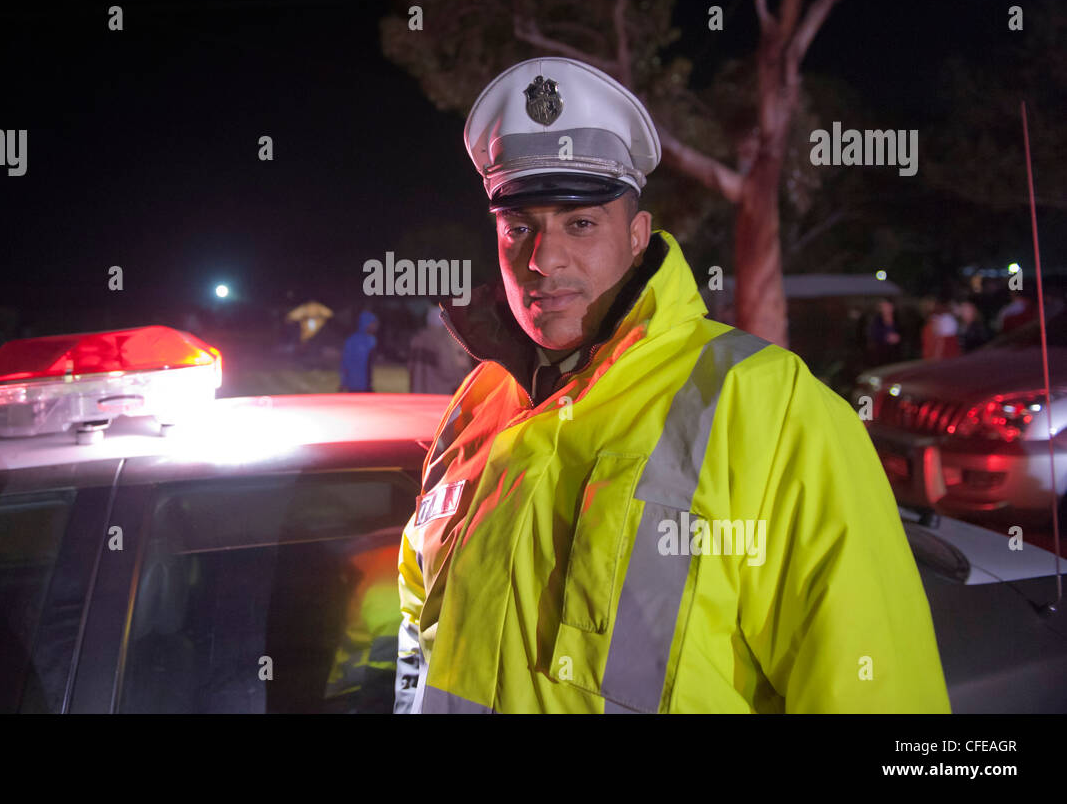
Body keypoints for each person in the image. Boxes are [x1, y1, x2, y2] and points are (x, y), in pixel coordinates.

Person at [395, 56, 949, 713]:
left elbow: (876, 691)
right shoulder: (476, 403)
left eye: (581, 223)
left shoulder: (770, 405)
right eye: (519, 228)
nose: (542, 260)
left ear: (637, 236)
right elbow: (417, 633)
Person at [408, 305, 472, 395]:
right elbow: (451, 370)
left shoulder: (417, 339)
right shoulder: (445, 339)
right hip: (440, 398)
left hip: (418, 397)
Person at [339, 310, 378, 393]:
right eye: (373, 323)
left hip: (367, 384)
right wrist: (343, 382)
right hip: (354, 385)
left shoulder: (371, 340)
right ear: (366, 323)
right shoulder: (352, 340)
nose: (375, 326)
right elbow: (345, 362)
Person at [867, 298, 902, 365]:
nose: (886, 309)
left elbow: (904, 332)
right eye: (884, 307)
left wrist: (898, 337)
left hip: (897, 351)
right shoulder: (877, 321)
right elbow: (874, 334)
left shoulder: (899, 319)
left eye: (888, 306)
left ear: (892, 307)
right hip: (882, 351)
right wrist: (886, 337)